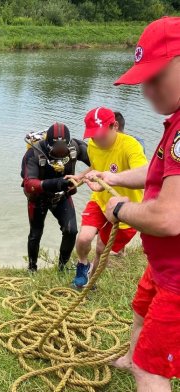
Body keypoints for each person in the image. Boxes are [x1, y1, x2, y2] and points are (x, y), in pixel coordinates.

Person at [84, 16, 180, 392]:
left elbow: (169, 217)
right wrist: (114, 179)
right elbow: (158, 174)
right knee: (139, 306)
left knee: (153, 370)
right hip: (164, 267)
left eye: (156, 76)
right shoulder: (175, 124)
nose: (146, 90)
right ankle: (129, 355)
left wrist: (119, 209)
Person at [68, 107, 148, 288]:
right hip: (100, 199)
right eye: (93, 136)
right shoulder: (93, 146)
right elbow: (96, 166)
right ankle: (82, 264)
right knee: (83, 239)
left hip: (125, 208)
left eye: (102, 135)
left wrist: (112, 178)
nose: (97, 140)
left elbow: (146, 175)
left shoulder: (131, 146)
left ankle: (90, 281)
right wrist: (81, 176)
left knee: (100, 249)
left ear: (115, 126)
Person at [21, 123, 89, 272]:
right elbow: (28, 183)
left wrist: (85, 177)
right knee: (35, 233)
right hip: (38, 198)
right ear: (47, 144)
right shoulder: (34, 153)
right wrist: (57, 183)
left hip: (62, 196)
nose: (59, 152)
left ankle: (62, 267)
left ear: (68, 144)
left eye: (62, 149)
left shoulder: (75, 147)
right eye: (55, 149)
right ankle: (32, 268)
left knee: (71, 231)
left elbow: (99, 160)